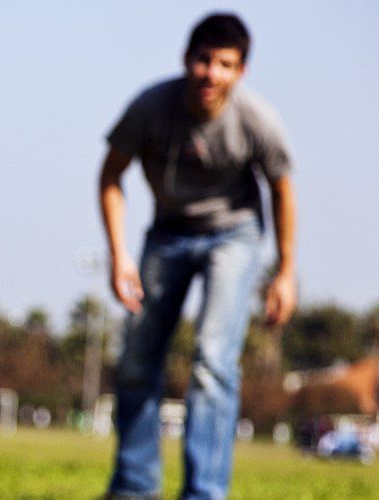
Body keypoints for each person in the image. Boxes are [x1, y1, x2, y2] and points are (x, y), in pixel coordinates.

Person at [97, 13, 297, 499]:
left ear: (241, 71)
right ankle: (134, 486)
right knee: (138, 358)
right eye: (204, 60)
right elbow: (110, 177)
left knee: (212, 359)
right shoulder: (151, 107)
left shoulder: (256, 120)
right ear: (187, 59)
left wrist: (285, 271)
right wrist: (120, 254)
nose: (212, 73)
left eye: (225, 64)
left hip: (234, 234)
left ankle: (205, 492)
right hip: (167, 233)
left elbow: (282, 189)